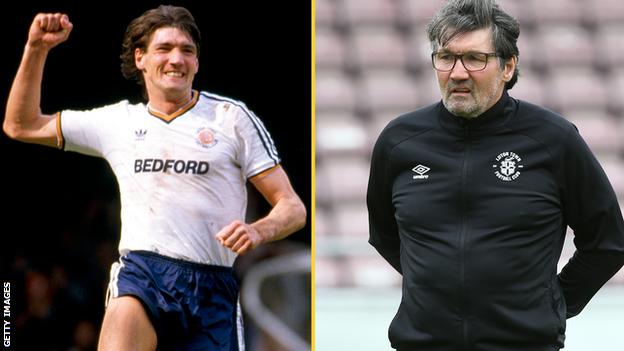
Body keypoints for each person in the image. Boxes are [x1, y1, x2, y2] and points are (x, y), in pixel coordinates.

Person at [3, 5, 306, 350]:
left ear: (197, 63)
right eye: (164, 48)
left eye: (187, 50)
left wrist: (257, 229)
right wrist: (36, 49)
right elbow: (21, 125)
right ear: (140, 58)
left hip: (211, 287)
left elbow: (293, 208)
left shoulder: (231, 118)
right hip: (143, 274)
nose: (176, 59)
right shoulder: (117, 122)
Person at [366, 0, 624, 350]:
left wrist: (551, 305)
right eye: (445, 57)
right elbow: (385, 235)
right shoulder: (399, 142)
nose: (457, 72)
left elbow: (608, 242)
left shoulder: (554, 140)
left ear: (508, 66)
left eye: (475, 58)